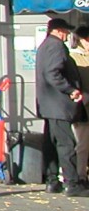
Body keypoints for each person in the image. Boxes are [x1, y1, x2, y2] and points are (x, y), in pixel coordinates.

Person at [36, 17, 88, 196]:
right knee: (66, 144)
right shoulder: (56, 46)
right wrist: (70, 89)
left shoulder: (45, 46)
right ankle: (72, 183)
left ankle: (52, 181)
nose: (67, 35)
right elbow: (53, 72)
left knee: (51, 143)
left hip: (49, 104)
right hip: (58, 104)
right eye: (65, 31)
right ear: (58, 31)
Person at [69, 26, 89, 187]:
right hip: (82, 107)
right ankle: (79, 175)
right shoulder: (73, 58)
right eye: (86, 39)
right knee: (82, 144)